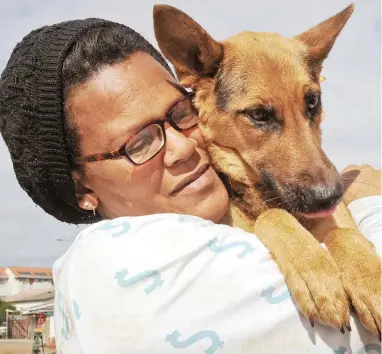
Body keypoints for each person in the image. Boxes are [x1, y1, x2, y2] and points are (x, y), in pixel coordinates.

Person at [0, 19, 380, 354]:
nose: (184, 147)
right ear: (79, 186)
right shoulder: (118, 274)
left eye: (180, 113)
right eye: (138, 143)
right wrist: (369, 204)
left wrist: (337, 238)